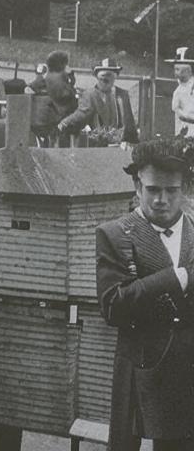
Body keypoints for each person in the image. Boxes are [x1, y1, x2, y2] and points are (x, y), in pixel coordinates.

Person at [97, 138, 194, 451]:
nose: (161, 200)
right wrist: (175, 277)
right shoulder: (115, 234)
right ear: (137, 187)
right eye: (152, 190)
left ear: (186, 189)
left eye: (171, 191)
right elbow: (112, 306)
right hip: (140, 367)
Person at [59, 57, 139, 144]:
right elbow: (81, 114)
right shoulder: (90, 94)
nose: (106, 80)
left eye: (110, 75)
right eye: (103, 76)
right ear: (97, 76)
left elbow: (129, 121)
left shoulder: (122, 94)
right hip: (97, 144)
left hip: (120, 144)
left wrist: (135, 142)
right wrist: (64, 124)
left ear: (115, 76)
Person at [169, 47, 194, 137]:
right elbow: (178, 113)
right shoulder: (178, 91)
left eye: (178, 70)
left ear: (188, 70)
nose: (175, 73)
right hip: (185, 134)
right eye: (175, 69)